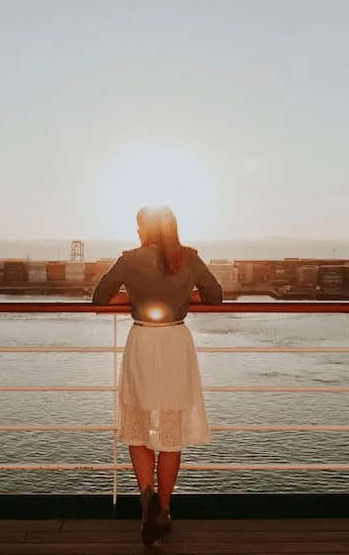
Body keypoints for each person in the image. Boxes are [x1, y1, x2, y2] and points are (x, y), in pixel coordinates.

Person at [92, 205, 223, 545]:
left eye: (138, 227)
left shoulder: (129, 259)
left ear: (144, 230)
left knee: (138, 425)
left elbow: (99, 297)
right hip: (175, 342)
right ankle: (163, 509)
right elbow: (216, 296)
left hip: (143, 342)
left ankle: (146, 496)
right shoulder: (189, 258)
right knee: (171, 431)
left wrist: (134, 295)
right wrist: (183, 296)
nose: (136, 233)